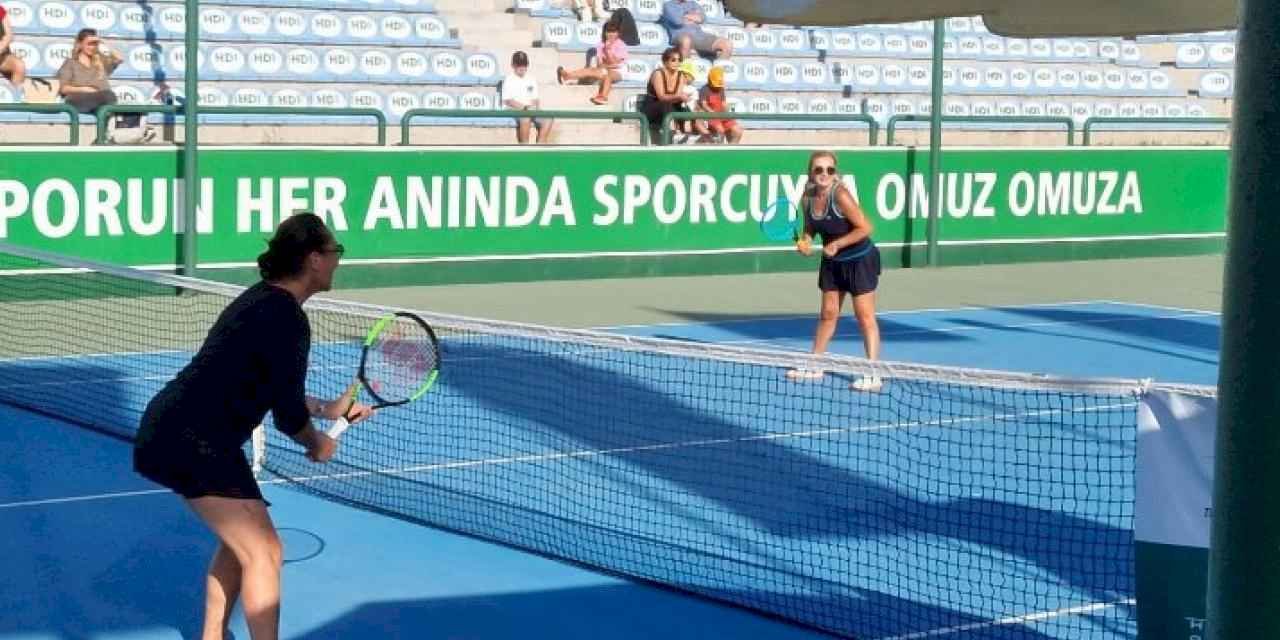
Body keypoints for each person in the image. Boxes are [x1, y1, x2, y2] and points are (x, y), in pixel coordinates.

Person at [133, 213, 375, 640]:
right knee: (265, 551)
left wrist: (331, 410)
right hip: (194, 440)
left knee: (240, 544)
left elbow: (269, 387)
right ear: (315, 259)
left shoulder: (261, 299)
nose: (339, 260)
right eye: (335, 252)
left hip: (185, 433)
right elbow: (286, 416)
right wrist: (317, 443)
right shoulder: (288, 319)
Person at [786, 151, 883, 392]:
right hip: (832, 262)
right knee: (828, 314)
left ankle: (873, 373)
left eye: (829, 170)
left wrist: (838, 244)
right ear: (811, 172)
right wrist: (806, 241)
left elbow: (866, 227)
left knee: (864, 317)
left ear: (835, 173)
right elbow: (811, 228)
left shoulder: (840, 195)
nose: (824, 174)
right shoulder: (807, 197)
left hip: (859, 259)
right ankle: (815, 365)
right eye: (819, 169)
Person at [57, 28, 154, 143]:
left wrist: (103, 43)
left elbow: (119, 58)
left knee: (132, 106)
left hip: (101, 102)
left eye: (95, 44)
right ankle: (114, 135)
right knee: (109, 96)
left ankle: (116, 136)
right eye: (89, 44)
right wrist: (86, 89)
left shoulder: (99, 62)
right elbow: (63, 89)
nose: (92, 47)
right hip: (78, 99)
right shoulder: (70, 63)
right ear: (80, 44)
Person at [557, 22, 626, 106]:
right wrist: (607, 64)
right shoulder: (600, 44)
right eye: (608, 32)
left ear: (618, 33)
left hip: (619, 71)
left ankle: (603, 97)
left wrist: (608, 52)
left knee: (608, 75)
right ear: (605, 32)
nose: (611, 34)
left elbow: (617, 64)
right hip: (605, 69)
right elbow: (600, 64)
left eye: (613, 32)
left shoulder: (621, 44)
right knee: (591, 70)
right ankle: (568, 76)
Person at [501, 50, 554, 144]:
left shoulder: (531, 78)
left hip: (530, 109)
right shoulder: (509, 79)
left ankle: (540, 144)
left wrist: (534, 107)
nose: (522, 67)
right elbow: (508, 101)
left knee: (549, 117)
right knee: (525, 117)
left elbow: (535, 98)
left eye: (524, 64)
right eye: (519, 65)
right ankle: (525, 146)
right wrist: (525, 108)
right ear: (513, 65)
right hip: (514, 109)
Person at [640, 47, 687, 144]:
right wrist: (679, 97)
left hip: (669, 106)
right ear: (665, 61)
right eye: (673, 60)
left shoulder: (681, 76)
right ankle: (670, 132)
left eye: (679, 60)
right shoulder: (658, 74)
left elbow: (677, 97)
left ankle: (688, 133)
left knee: (685, 108)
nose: (677, 63)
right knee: (666, 105)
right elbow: (661, 96)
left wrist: (682, 98)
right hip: (652, 108)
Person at [659, 0, 732, 59]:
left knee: (726, 44)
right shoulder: (668, 5)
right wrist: (692, 16)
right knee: (686, 40)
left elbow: (702, 18)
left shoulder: (693, 4)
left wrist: (685, 17)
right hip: (680, 35)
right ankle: (686, 72)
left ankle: (717, 73)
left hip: (699, 36)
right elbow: (677, 21)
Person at [696, 66, 743, 143]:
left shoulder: (721, 88)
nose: (717, 87)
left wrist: (728, 113)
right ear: (709, 80)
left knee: (738, 131)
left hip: (722, 114)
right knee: (720, 131)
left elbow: (724, 104)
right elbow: (704, 105)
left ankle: (730, 150)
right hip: (711, 116)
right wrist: (713, 113)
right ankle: (719, 150)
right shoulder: (704, 89)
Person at [0, 2, 27, 99]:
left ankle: (16, 99)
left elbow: (8, 35)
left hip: (2, 56)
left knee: (19, 65)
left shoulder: (0, 10)